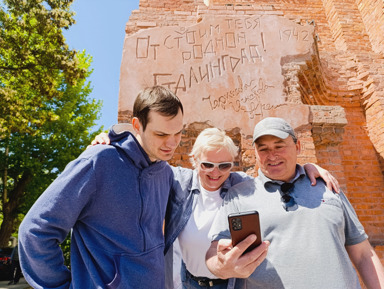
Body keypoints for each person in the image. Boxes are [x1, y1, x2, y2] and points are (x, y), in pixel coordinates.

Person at [92, 125, 339, 289]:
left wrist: (306, 168)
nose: (215, 173)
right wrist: (112, 139)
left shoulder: (242, 185)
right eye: (208, 164)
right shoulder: (176, 180)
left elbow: (276, 178)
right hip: (188, 281)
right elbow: (143, 156)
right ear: (195, 160)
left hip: (231, 283)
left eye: (224, 165)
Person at [18, 86, 184, 289]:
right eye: (161, 134)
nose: (172, 143)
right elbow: (35, 230)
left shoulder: (165, 173)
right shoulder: (98, 162)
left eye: (178, 133)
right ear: (137, 125)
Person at [206, 117, 384, 289]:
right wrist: (221, 267)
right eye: (263, 149)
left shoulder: (328, 186)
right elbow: (214, 252)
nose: (272, 155)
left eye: (279, 146)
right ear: (255, 154)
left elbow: (363, 254)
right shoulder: (238, 196)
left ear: (297, 146)